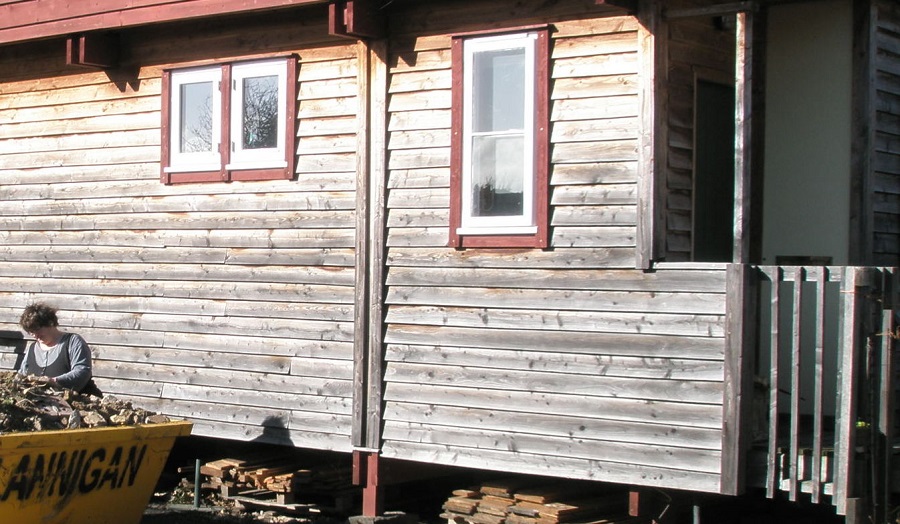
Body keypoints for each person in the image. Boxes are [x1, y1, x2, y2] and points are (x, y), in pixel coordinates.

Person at [17, 302, 99, 395]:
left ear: (50, 323)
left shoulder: (73, 342)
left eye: (38, 329)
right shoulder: (32, 349)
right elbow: (22, 375)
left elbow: (82, 371)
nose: (35, 335)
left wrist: (54, 381)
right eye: (31, 332)